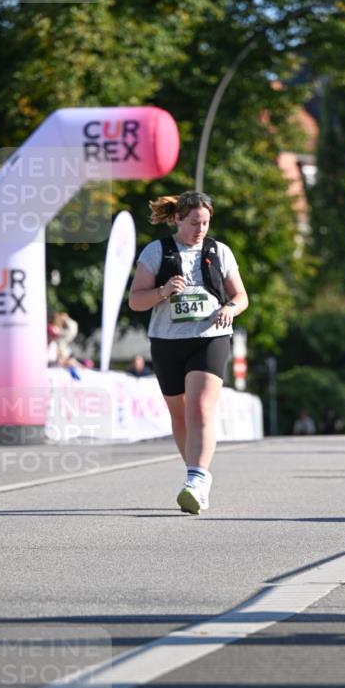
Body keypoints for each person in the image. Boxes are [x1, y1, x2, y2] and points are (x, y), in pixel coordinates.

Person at [128, 190, 248, 513]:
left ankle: (195, 480)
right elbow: (135, 300)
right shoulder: (157, 252)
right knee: (179, 415)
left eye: (206, 222)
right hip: (167, 341)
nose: (200, 229)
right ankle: (197, 475)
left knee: (199, 408)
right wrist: (163, 291)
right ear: (178, 219)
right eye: (194, 222)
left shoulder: (219, 251)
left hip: (210, 335)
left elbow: (241, 296)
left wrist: (230, 309)